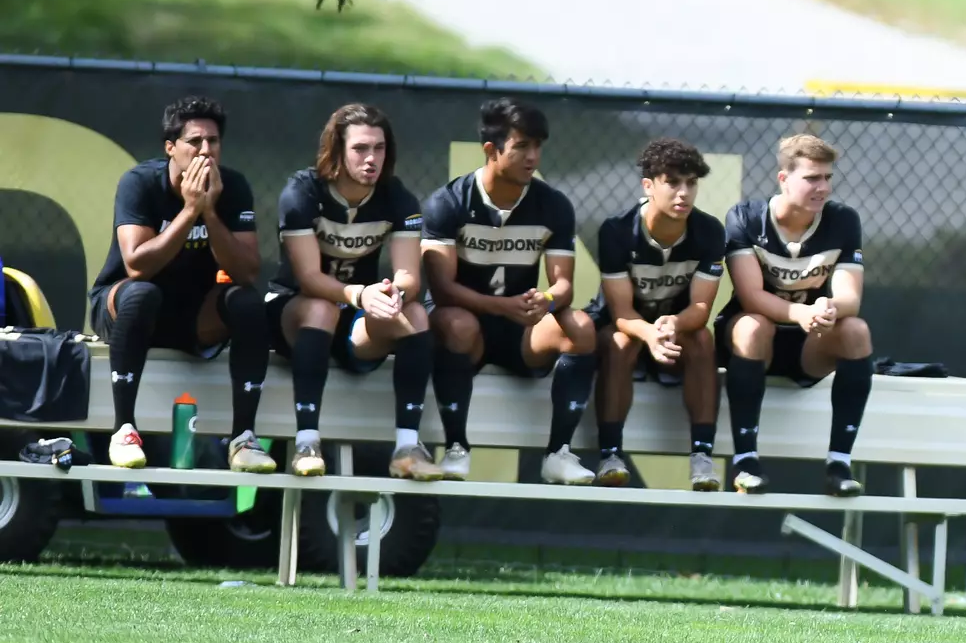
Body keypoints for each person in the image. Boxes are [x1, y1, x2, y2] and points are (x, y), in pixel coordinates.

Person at [88, 95, 276, 473]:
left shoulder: (232, 187)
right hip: (127, 306)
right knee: (143, 293)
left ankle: (243, 438)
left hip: (194, 315)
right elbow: (137, 265)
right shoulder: (140, 183)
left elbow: (247, 271)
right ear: (171, 148)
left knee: (248, 302)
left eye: (214, 142)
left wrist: (209, 209)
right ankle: (123, 428)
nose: (206, 151)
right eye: (195, 142)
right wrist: (191, 210)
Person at [421, 98, 598, 484]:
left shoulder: (553, 205)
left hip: (520, 328)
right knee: (457, 324)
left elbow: (563, 283)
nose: (533, 157)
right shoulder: (447, 203)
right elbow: (443, 288)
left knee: (581, 327)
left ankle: (559, 454)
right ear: (491, 149)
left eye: (538, 147)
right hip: (465, 327)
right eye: (521, 147)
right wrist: (499, 306)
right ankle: (456, 447)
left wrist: (547, 299)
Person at [266, 103, 443, 480]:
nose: (371, 159)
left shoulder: (398, 198)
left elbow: (410, 275)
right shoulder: (302, 192)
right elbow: (310, 278)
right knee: (320, 308)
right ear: (337, 150)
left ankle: (407, 448)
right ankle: (306, 443)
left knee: (414, 314)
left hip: (353, 322)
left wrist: (395, 293)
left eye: (379, 148)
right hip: (293, 316)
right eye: (360, 148)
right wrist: (361, 295)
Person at [717, 134, 873, 496]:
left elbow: (851, 297)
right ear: (784, 179)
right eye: (812, 178)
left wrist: (829, 307)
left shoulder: (843, 220)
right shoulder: (745, 217)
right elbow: (751, 296)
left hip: (809, 346)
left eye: (827, 178)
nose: (823, 188)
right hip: (752, 344)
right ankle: (745, 463)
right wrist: (801, 311)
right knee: (754, 326)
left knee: (856, 331)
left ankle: (839, 465)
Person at [588, 139, 726, 491]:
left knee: (702, 338)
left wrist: (675, 323)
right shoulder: (616, 231)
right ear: (648, 185)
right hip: (630, 330)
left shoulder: (710, 231)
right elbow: (620, 311)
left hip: (675, 338)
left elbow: (700, 308)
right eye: (673, 182)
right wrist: (649, 333)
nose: (684, 193)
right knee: (620, 341)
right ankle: (610, 455)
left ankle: (702, 458)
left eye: (691, 183)